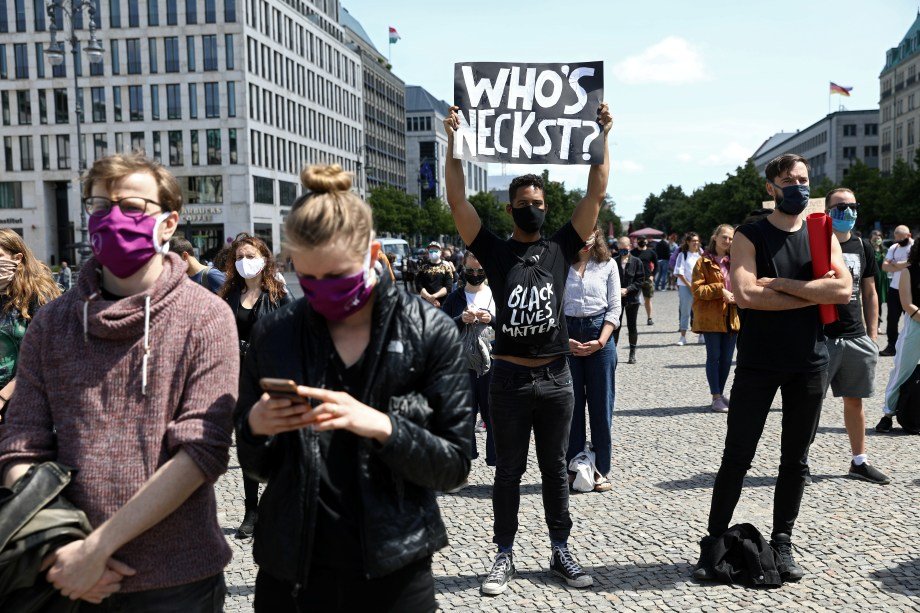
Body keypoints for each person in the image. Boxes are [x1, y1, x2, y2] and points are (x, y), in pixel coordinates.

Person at [0, 153, 238, 608]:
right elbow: (21, 444)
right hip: (65, 576)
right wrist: (61, 549)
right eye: (99, 206)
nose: (113, 219)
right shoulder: (52, 323)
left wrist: (97, 549)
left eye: (131, 207)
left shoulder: (206, 316)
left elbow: (201, 452)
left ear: (168, 223)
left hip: (176, 582)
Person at [235, 164, 471, 612]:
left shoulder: (428, 331)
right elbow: (257, 466)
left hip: (394, 569)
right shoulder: (275, 334)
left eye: (338, 276)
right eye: (310, 279)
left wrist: (383, 426)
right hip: (293, 572)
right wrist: (254, 428)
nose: (324, 291)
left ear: (372, 253)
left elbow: (455, 465)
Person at [444, 101, 613, 595]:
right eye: (523, 202)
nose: (532, 207)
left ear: (546, 207)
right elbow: (457, 201)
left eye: (538, 201)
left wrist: (603, 135)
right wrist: (453, 143)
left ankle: (561, 549)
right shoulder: (495, 251)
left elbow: (596, 191)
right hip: (509, 380)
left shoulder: (561, 246)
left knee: (556, 470)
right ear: (510, 208)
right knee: (508, 473)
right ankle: (503, 554)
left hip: (557, 378)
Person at [693, 153, 850, 583]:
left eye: (804, 179)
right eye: (789, 180)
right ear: (771, 187)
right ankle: (713, 541)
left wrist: (779, 284)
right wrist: (812, 293)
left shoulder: (821, 231)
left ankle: (783, 542)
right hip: (759, 363)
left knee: (795, 460)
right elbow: (745, 294)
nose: (799, 186)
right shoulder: (750, 233)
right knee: (737, 456)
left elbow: (842, 290)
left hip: (809, 362)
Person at [218, 234, 293, 538]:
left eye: (250, 256)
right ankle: (251, 511)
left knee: (277, 444)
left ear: (263, 259)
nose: (244, 262)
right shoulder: (229, 294)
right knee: (248, 444)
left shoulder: (279, 295)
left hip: (272, 379)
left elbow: (294, 333)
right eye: (239, 257)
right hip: (240, 380)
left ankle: (277, 506)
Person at [811, 189, 888, 484]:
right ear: (827, 210)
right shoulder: (813, 243)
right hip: (821, 336)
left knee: (854, 402)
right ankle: (797, 462)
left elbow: (870, 292)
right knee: (809, 403)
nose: (848, 211)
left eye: (853, 206)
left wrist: (872, 335)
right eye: (841, 206)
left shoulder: (862, 245)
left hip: (855, 335)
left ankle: (859, 461)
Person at [564, 229, 621, 491]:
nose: (586, 239)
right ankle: (574, 466)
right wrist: (564, 340)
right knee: (571, 406)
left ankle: (600, 468)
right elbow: (552, 306)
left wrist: (601, 341)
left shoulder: (608, 265)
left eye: (590, 233)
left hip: (601, 334)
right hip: (567, 334)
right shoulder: (561, 264)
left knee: (601, 406)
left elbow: (614, 307)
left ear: (596, 234)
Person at [442, 252, 496, 468]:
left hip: (492, 363)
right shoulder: (454, 298)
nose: (475, 274)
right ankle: (463, 464)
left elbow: (508, 326)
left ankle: (496, 463)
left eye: (479, 271)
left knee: (494, 415)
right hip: (462, 365)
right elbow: (442, 328)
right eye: (470, 270)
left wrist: (492, 319)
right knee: (464, 415)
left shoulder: (496, 294)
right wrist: (460, 319)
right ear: (463, 269)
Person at [0, 230, 61, 420]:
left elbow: (46, 356)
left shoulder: (39, 296)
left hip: (27, 406)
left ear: (17, 258)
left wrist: (2, 397)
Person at [691, 225, 739, 413]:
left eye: (731, 238)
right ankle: (716, 396)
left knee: (727, 359)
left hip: (732, 316)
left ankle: (720, 393)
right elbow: (697, 290)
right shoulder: (703, 262)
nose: (727, 241)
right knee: (714, 357)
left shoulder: (735, 261)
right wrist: (720, 290)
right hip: (711, 317)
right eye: (724, 237)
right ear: (715, 237)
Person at [877, 235, 920, 434]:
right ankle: (887, 415)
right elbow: (907, 304)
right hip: (915, 325)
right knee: (902, 370)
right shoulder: (908, 272)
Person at [880, 225, 913, 356]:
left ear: (909, 235)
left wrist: (894, 263)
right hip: (894, 289)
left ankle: (911, 347)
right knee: (892, 320)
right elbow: (884, 267)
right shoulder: (894, 248)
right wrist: (902, 265)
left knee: (912, 319)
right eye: (897, 239)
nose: (899, 241)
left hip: (910, 289)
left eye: (901, 239)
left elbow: (911, 263)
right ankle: (891, 346)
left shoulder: (914, 247)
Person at [614, 236, 644, 364]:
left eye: (625, 248)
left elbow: (640, 280)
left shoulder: (637, 262)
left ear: (629, 247)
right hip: (616, 299)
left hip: (632, 299)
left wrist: (627, 289)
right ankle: (613, 354)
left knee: (632, 326)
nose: (622, 250)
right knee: (615, 326)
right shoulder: (613, 262)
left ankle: (632, 353)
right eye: (620, 248)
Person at [674, 232, 702, 346]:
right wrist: (690, 285)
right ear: (688, 242)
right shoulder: (682, 255)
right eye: (693, 241)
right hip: (685, 286)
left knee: (700, 311)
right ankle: (683, 336)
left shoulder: (701, 254)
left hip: (699, 287)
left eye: (697, 241)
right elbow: (679, 272)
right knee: (685, 311)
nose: (696, 243)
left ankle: (701, 334)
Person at [415, 241, 454, 307]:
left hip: (442, 303)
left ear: (440, 252)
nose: (433, 252)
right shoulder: (423, 267)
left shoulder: (446, 267)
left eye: (435, 250)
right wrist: (428, 297)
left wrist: (434, 296)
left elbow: (448, 287)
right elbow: (418, 284)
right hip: (426, 303)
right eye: (431, 251)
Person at [632, 237, 656, 325]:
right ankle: (632, 320)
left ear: (646, 242)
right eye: (640, 241)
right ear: (637, 242)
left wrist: (652, 275)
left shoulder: (651, 252)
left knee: (648, 300)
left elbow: (656, 265)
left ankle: (649, 318)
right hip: (635, 279)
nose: (642, 242)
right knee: (633, 301)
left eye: (643, 241)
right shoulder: (633, 252)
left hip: (647, 279)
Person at [869, 230, 888, 328]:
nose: (877, 240)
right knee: (870, 301)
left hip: (882, 280)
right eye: (874, 238)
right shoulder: (868, 250)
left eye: (879, 238)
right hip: (871, 279)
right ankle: (870, 324)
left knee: (879, 302)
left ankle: (878, 325)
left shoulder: (885, 251)